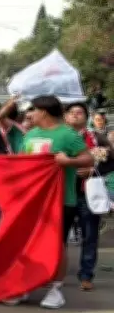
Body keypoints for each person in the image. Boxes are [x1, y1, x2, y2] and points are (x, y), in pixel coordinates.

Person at [5, 95, 94, 309]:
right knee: (25, 243)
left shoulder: (68, 135)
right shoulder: (31, 135)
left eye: (33, 110)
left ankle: (55, 289)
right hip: (31, 200)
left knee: (57, 244)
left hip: (61, 200)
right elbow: (19, 162)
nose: (30, 114)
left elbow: (88, 159)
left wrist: (68, 161)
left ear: (43, 112)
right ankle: (24, 285)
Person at [65, 102, 102, 291]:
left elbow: (110, 161)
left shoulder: (96, 137)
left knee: (89, 236)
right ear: (65, 117)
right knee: (59, 236)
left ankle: (86, 275)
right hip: (64, 193)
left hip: (87, 193)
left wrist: (93, 169)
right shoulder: (60, 137)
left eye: (79, 113)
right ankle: (55, 272)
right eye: (71, 112)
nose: (75, 115)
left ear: (86, 117)